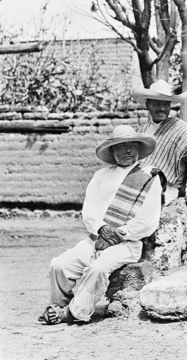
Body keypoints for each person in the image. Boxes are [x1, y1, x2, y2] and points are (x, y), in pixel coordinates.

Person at [39, 125, 165, 325]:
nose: (128, 151)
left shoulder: (150, 177)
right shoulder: (100, 176)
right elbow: (89, 212)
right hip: (97, 238)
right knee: (59, 265)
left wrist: (118, 234)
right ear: (113, 151)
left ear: (139, 148)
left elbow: (147, 221)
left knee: (97, 269)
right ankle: (59, 305)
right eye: (122, 146)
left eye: (132, 145)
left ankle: (74, 313)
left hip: (128, 243)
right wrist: (101, 229)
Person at [133, 80, 187, 210]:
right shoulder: (142, 132)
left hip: (166, 190)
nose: (162, 108)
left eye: (166, 104)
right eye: (157, 103)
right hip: (139, 187)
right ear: (148, 104)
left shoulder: (179, 128)